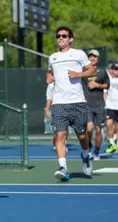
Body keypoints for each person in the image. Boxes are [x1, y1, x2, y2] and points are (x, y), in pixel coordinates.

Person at [46, 26, 96, 181]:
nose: (60, 38)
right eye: (58, 36)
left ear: (71, 38)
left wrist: (78, 74)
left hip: (77, 102)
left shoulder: (79, 54)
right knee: (60, 136)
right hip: (59, 103)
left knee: (82, 136)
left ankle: (86, 156)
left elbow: (92, 71)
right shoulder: (52, 57)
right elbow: (50, 72)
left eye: (64, 36)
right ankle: (63, 167)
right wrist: (49, 77)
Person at [81, 49, 109, 160]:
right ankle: (89, 149)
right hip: (86, 104)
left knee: (98, 130)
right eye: (90, 57)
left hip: (99, 105)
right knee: (88, 129)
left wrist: (97, 85)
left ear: (98, 59)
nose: (92, 58)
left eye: (94, 57)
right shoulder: (83, 71)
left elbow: (107, 85)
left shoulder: (102, 71)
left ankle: (96, 152)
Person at [105, 62, 118, 153]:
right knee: (109, 124)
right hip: (110, 106)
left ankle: (114, 142)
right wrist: (105, 103)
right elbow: (105, 93)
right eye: (115, 69)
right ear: (112, 70)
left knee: (117, 127)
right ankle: (112, 142)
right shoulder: (108, 80)